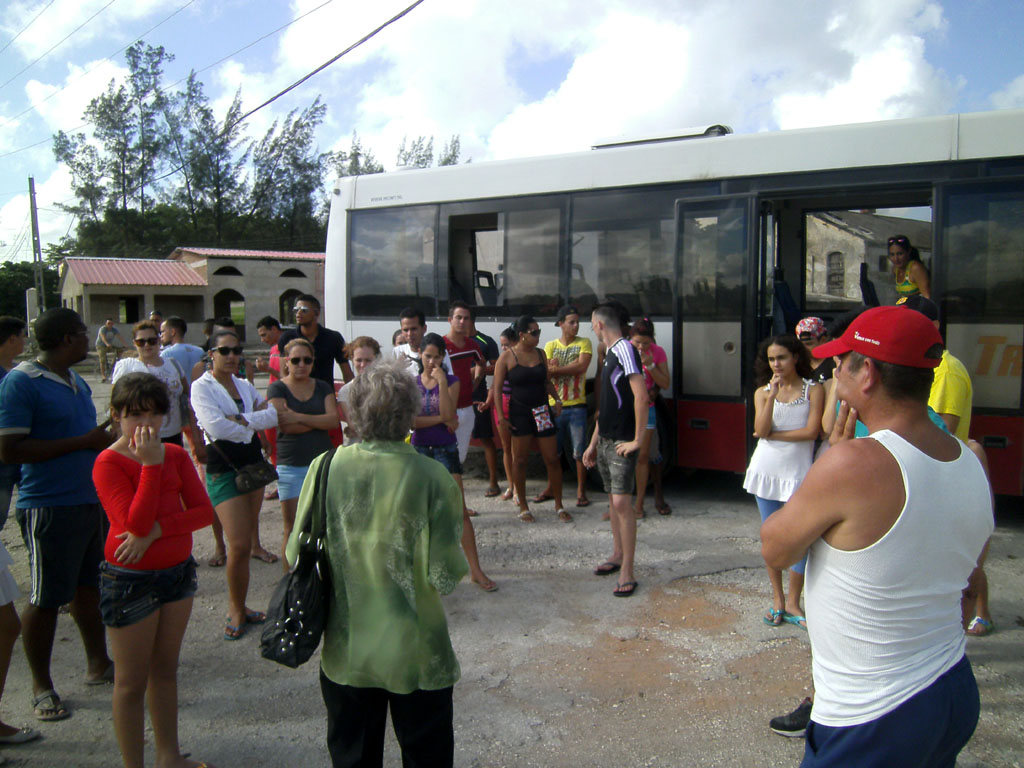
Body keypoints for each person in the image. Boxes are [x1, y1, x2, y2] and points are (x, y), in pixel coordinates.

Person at [761, 305, 992, 767]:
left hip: (875, 711)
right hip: (951, 685)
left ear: (866, 373)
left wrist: (830, 459)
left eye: (840, 361)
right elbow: (969, 570)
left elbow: (777, 547)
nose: (830, 370)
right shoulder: (972, 459)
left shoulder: (855, 462)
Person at [286, 357, 468, 768]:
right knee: (427, 755)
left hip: (349, 649)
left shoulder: (324, 466)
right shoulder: (432, 476)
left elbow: (295, 553)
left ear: (353, 412)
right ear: (410, 413)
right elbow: (444, 574)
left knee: (353, 756)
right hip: (417, 650)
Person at [93, 373, 215, 768]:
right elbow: (134, 525)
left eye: (154, 415)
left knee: (165, 670)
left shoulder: (177, 456)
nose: (144, 425)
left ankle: (169, 755)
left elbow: (203, 512)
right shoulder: (108, 462)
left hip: (176, 572)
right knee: (130, 681)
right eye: (134, 416)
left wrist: (162, 529)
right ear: (116, 415)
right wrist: (149, 467)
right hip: (130, 580)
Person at [0, 308, 114, 721]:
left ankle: (98, 663)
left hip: (88, 500)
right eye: (84, 334)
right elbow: (10, 449)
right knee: (46, 598)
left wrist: (103, 443)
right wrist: (84, 441)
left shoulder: (76, 382)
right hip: (48, 504)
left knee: (88, 587)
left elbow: (85, 442)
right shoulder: (21, 383)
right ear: (68, 338)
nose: (90, 341)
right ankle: (42, 686)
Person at [191, 329, 291, 639]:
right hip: (224, 470)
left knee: (246, 543)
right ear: (212, 355)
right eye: (225, 351)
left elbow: (273, 416)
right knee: (237, 545)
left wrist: (242, 420)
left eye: (237, 351)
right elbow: (216, 427)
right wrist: (249, 420)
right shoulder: (201, 387)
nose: (233, 356)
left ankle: (243, 606)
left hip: (252, 466)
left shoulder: (244, 385)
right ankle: (235, 607)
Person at [743, 334, 823, 629]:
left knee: (800, 537)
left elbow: (812, 432)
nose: (776, 364)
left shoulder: (813, 389)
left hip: (798, 473)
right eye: (772, 359)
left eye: (782, 357)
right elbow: (760, 428)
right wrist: (773, 395)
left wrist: (773, 436)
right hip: (766, 471)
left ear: (796, 358)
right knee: (772, 536)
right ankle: (778, 599)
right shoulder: (763, 392)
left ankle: (794, 601)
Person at [415, 334, 497, 592]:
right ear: (420, 355)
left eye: (436, 356)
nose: (431, 361)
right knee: (422, 512)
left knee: (458, 511)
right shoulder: (413, 383)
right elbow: (411, 422)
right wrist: (440, 419)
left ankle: (476, 571)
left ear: (443, 357)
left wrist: (440, 384)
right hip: (419, 450)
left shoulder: (451, 380)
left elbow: (450, 415)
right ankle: (425, 572)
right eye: (427, 356)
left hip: (445, 449)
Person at [583, 301, 648, 597]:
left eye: (592, 325)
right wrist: (593, 443)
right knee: (613, 502)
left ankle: (628, 570)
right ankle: (617, 554)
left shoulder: (624, 349)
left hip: (622, 441)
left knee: (622, 504)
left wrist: (637, 440)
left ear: (599, 325)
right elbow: (606, 407)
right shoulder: (610, 353)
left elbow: (641, 396)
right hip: (607, 440)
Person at [267, 338, 339, 565]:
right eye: (295, 360)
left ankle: (321, 579)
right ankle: (290, 582)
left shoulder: (323, 386)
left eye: (306, 360)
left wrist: (298, 416)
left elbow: (334, 421)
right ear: (286, 362)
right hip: (291, 466)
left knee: (324, 525)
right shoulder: (277, 387)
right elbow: (285, 426)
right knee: (292, 527)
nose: (301, 364)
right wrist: (318, 421)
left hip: (322, 464)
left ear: (313, 362)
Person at [493, 317, 569, 523]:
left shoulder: (541, 354)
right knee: (520, 460)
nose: (537, 336)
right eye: (534, 333)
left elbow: (546, 382)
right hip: (519, 412)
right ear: (522, 335)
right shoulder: (507, 358)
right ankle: (524, 506)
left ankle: (559, 504)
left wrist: (558, 399)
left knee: (552, 459)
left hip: (542, 411)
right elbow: (497, 388)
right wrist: (501, 417)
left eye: (538, 332)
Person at [111, 321, 192, 446]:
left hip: (173, 433)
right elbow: (115, 401)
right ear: (134, 343)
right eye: (141, 342)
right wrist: (118, 432)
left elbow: (186, 393)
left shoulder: (173, 364)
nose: (147, 345)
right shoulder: (127, 366)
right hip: (140, 435)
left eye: (152, 341)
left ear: (159, 340)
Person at [543, 305, 593, 509]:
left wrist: (557, 369)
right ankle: (551, 487)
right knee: (552, 452)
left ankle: (581, 492)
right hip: (554, 406)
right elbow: (546, 372)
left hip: (577, 405)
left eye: (577, 322)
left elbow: (581, 367)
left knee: (578, 452)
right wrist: (557, 370)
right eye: (571, 322)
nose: (576, 326)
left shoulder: (585, 342)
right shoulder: (550, 345)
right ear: (560, 324)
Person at [629, 318, 670, 518]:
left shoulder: (658, 352)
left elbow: (665, 382)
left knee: (644, 456)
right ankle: (620, 503)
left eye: (646, 343)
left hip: (648, 408)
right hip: (626, 409)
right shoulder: (623, 350)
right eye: (637, 342)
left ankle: (639, 505)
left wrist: (651, 365)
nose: (641, 346)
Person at [277, 295, 352, 386]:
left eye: (304, 310)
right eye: (296, 310)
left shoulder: (333, 337)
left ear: (316, 313)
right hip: (297, 394)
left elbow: (347, 373)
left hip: (325, 394)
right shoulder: (287, 338)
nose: (298, 313)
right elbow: (283, 373)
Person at [469, 319, 502, 498]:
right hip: (454, 396)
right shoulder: (447, 343)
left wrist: (476, 371)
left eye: (465, 318)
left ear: (472, 319)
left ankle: (493, 481)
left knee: (485, 438)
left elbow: (498, 367)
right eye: (457, 318)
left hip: (478, 395)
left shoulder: (485, 341)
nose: (462, 322)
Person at [0, 316, 27, 531]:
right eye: (22, 336)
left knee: (27, 512)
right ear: (11, 339)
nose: (24, 341)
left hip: (25, 452)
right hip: (3, 455)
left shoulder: (21, 372)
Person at [255, 316, 284, 499]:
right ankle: (277, 479)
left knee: (276, 440)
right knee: (267, 437)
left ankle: (281, 481)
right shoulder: (273, 349)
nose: (262, 339)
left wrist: (268, 370)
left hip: (283, 401)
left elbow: (285, 375)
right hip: (272, 399)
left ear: (274, 329)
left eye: (264, 334)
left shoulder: (286, 347)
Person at [338, 336, 381, 445]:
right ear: (352, 359)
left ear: (376, 359)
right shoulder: (346, 390)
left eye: (368, 360)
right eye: (359, 360)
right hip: (357, 446)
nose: (363, 365)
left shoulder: (385, 387)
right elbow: (353, 425)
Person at [888, 234, 931, 301]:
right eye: (892, 255)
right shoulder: (895, 269)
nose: (896, 259)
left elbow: (927, 297)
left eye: (900, 254)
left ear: (908, 252)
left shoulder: (915, 268)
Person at [796, 317, 834, 384]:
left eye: (809, 344)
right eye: (801, 345)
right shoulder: (797, 365)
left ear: (823, 340)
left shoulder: (834, 364)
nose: (804, 348)